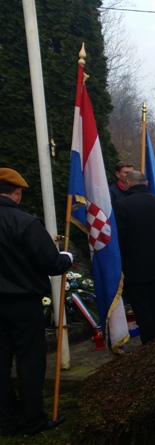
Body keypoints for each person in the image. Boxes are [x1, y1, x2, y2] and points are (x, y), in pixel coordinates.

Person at [0, 168, 72, 436]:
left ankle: (7, 420)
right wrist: (65, 257)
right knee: (30, 360)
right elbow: (50, 263)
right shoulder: (25, 222)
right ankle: (32, 420)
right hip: (22, 302)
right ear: (17, 192)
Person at [114, 171, 155, 344]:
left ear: (127, 183)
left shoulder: (121, 205)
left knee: (142, 308)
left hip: (134, 267)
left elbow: (119, 238)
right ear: (146, 183)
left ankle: (149, 346)